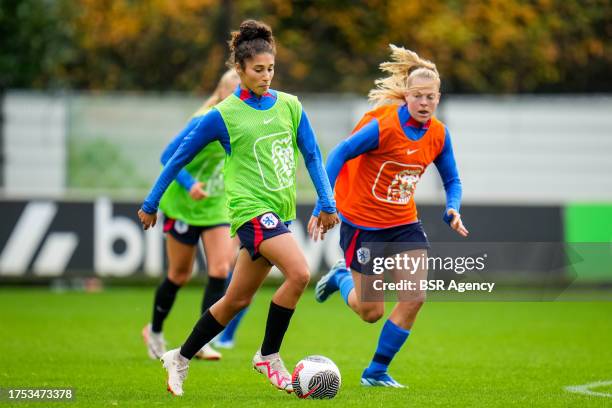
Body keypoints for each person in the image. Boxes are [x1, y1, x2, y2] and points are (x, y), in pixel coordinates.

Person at [137, 19, 339, 396]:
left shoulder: (291, 107)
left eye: (271, 68)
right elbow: (177, 158)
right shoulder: (222, 115)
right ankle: (269, 355)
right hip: (250, 210)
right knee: (299, 273)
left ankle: (179, 357)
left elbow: (312, 154)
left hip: (278, 212)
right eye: (258, 70)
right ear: (241, 70)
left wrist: (328, 201)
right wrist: (151, 202)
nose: (266, 76)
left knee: (235, 299)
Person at [309, 45, 468, 388]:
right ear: (406, 97)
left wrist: (452, 206)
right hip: (363, 226)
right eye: (418, 96)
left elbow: (452, 179)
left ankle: (376, 372)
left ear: (438, 98)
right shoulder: (384, 127)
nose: (425, 103)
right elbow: (340, 152)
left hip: (404, 225)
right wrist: (325, 202)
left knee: (415, 297)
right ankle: (340, 278)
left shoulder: (439, 134)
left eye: (431, 97)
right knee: (371, 313)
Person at [142, 70, 245, 362]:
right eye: (235, 91)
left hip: (215, 207)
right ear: (222, 93)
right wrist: (189, 184)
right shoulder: (204, 119)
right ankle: (156, 332)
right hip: (184, 206)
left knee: (220, 269)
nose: (241, 96)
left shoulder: (243, 120)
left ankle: (201, 341)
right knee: (179, 274)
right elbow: (167, 155)